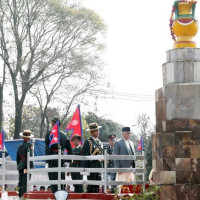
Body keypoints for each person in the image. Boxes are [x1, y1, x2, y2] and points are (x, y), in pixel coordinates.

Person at [45, 116, 72, 194]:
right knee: (61, 179)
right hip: (62, 160)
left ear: (53, 124)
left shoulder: (49, 134)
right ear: (60, 125)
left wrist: (47, 161)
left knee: (53, 180)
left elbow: (47, 148)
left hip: (52, 160)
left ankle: (55, 196)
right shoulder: (64, 135)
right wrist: (68, 162)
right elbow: (70, 149)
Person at [81, 122, 103, 193]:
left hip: (98, 167)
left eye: (98, 130)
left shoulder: (99, 142)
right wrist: (85, 170)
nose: (98, 132)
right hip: (91, 167)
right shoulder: (88, 142)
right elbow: (84, 156)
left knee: (97, 187)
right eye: (96, 130)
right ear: (91, 132)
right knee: (91, 187)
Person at [16, 130, 34, 198]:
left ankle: (19, 196)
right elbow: (31, 157)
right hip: (26, 166)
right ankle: (23, 197)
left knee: (20, 182)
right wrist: (32, 166)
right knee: (25, 182)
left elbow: (17, 158)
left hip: (20, 166)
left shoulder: (19, 146)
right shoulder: (29, 146)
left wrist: (18, 165)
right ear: (28, 138)